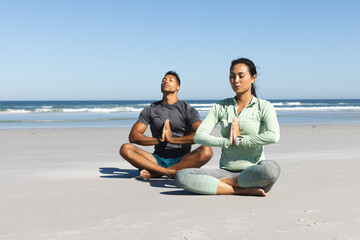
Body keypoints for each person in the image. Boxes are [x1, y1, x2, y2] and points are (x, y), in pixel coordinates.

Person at [175, 58, 280, 196]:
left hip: (254, 172)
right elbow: (199, 136)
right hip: (226, 171)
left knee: (271, 169)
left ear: (253, 77)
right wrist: (227, 142)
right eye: (232, 76)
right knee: (181, 176)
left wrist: (240, 140)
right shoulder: (221, 106)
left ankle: (230, 184)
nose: (236, 80)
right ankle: (238, 189)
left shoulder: (264, 106)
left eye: (241, 76)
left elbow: (273, 136)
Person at [120, 71, 213, 179]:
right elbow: (133, 136)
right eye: (164, 80)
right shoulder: (151, 109)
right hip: (157, 158)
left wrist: (172, 140)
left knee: (206, 150)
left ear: (178, 87)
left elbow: (201, 134)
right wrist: (160, 140)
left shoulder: (187, 109)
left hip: (182, 159)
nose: (166, 81)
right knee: (125, 149)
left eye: (170, 80)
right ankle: (169, 172)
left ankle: (156, 172)